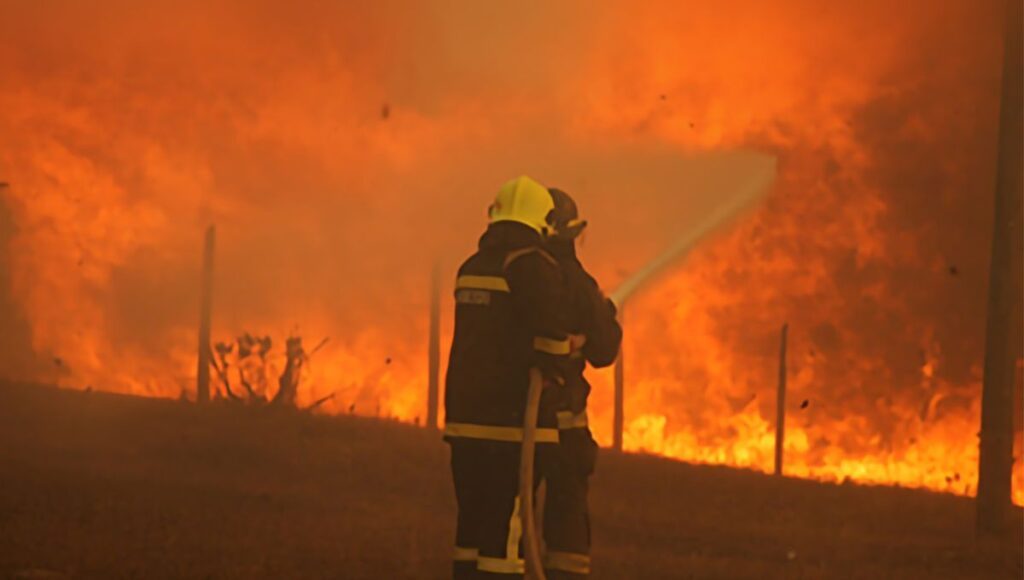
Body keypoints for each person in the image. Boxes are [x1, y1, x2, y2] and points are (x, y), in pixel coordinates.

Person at [444, 175, 572, 579]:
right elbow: (553, 339)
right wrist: (559, 363)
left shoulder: (471, 267)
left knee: (471, 530)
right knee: (506, 538)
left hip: (465, 425)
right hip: (513, 428)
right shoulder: (531, 266)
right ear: (541, 221)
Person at [542, 188, 622, 580]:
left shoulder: (510, 275)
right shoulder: (578, 284)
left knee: (507, 516)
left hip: (514, 423)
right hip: (565, 426)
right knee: (567, 521)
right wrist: (606, 318)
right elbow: (604, 352)